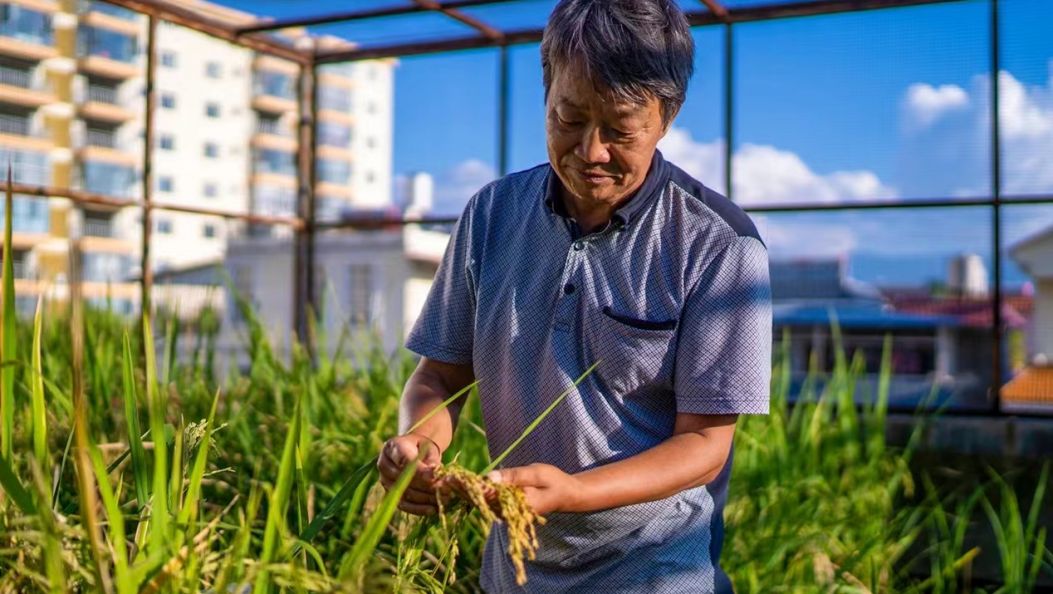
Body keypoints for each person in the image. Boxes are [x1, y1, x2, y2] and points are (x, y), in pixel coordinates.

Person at [378, 0, 772, 591]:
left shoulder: (718, 243)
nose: (591, 151)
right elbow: (441, 375)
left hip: (654, 570)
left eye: (620, 130)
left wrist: (574, 493)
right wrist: (420, 442)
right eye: (568, 118)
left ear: (666, 117)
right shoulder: (491, 215)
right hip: (516, 567)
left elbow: (704, 443)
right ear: (546, 95)